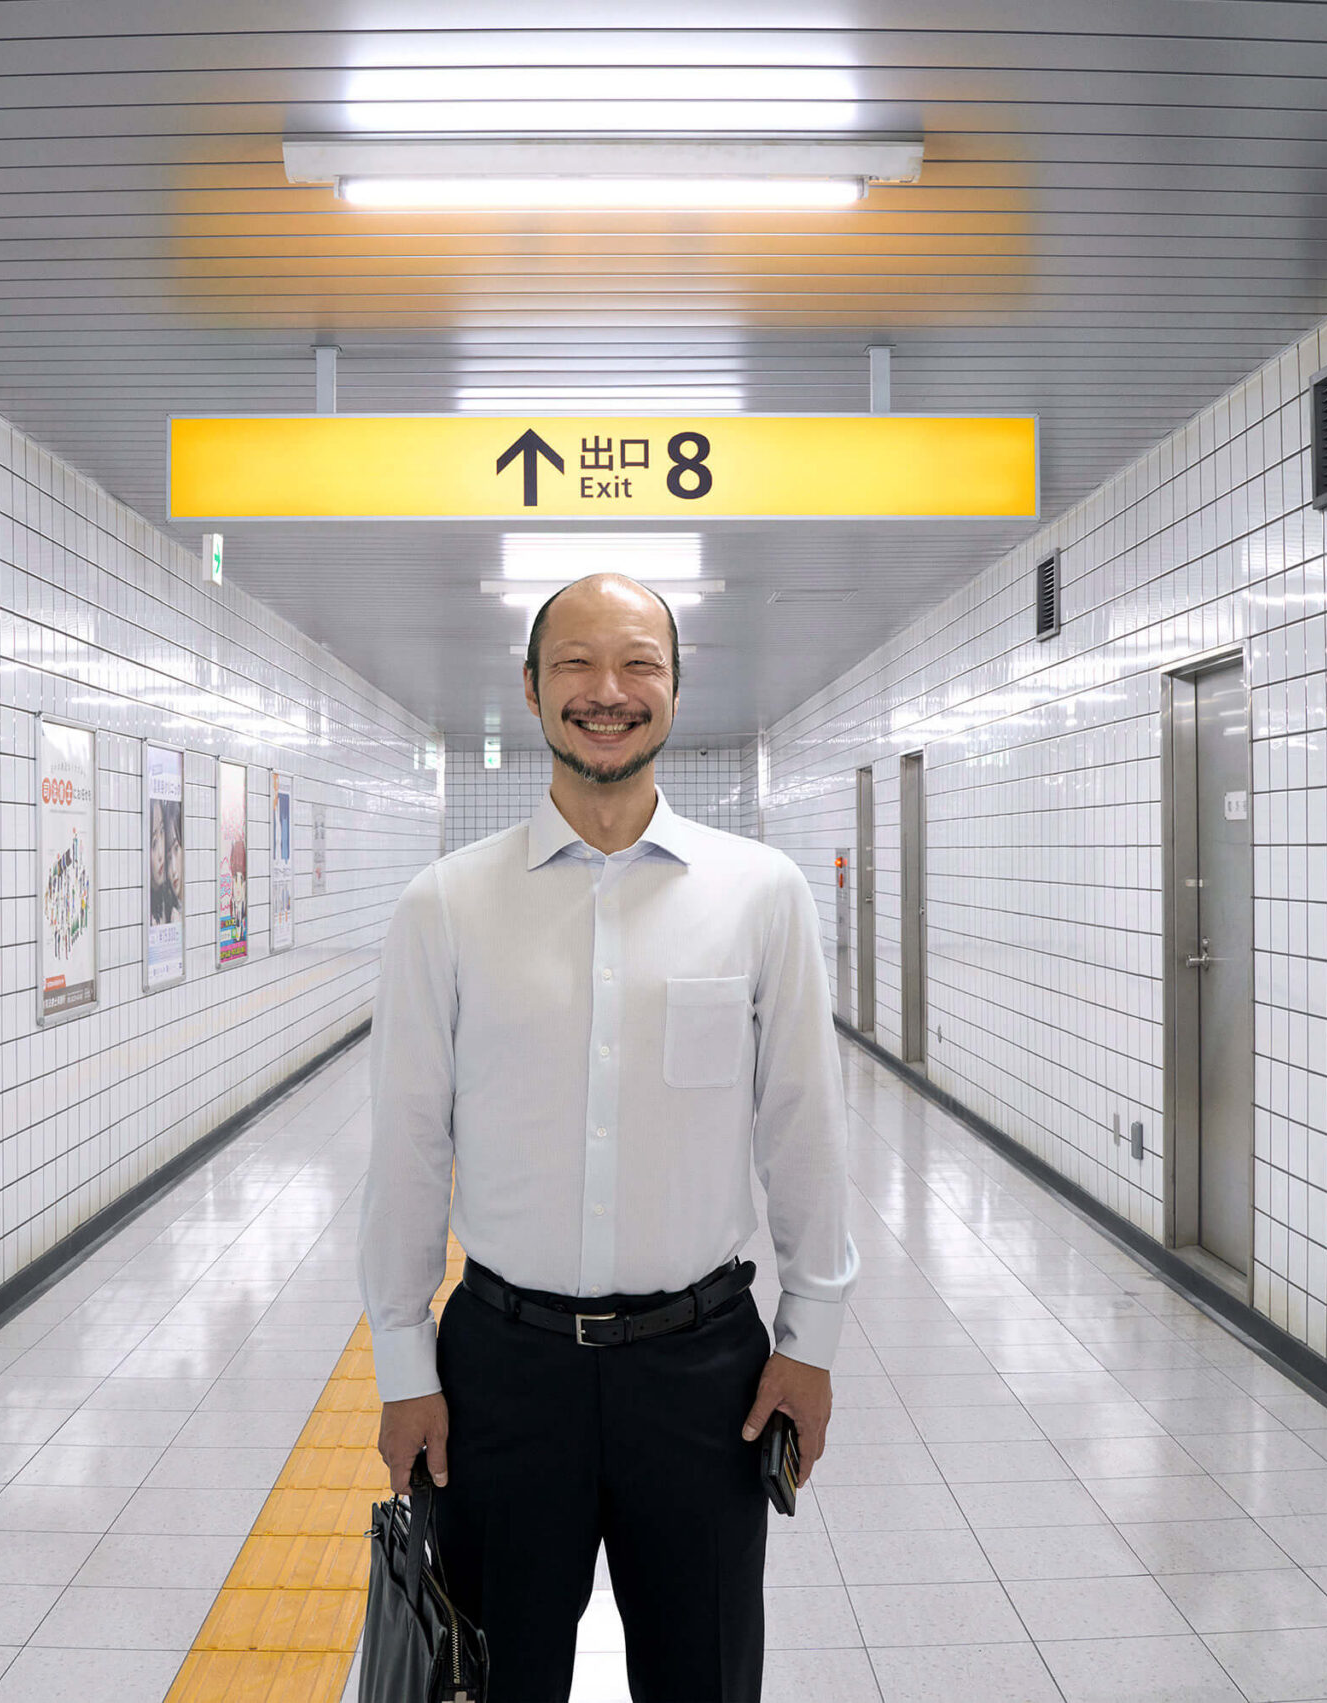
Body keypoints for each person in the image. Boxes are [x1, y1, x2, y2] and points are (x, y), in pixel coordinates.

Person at [361, 572, 858, 1702]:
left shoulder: (760, 894)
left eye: (639, 663)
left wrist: (810, 1337)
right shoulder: (443, 905)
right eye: (576, 663)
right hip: (501, 1368)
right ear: (530, 689)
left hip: (704, 1372)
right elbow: (403, 1149)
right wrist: (403, 1362)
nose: (607, 690)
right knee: (492, 1677)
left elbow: (803, 1129)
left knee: (705, 1675)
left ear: (676, 689)